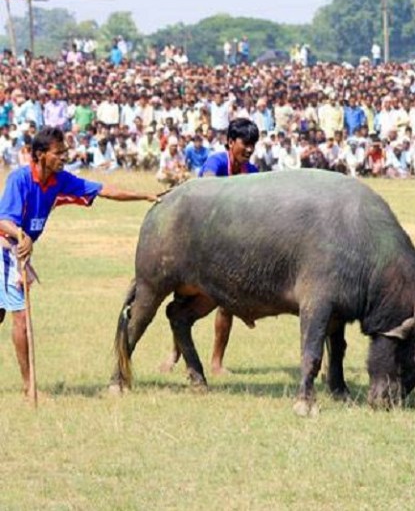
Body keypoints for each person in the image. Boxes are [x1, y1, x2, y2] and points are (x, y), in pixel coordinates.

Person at [0, 127, 157, 397]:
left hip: (20, 249)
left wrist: (142, 196)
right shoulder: (20, 179)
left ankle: (29, 386)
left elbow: (103, 189)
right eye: (58, 153)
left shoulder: (59, 180)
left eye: (65, 152)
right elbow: (4, 220)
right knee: (21, 318)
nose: (65, 157)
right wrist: (20, 235)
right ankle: (30, 389)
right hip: (6, 249)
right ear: (40, 154)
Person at [161, 118, 259, 376]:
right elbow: (207, 189)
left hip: (232, 246)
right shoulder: (216, 162)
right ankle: (175, 352)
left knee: (226, 303)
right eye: (244, 143)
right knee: (183, 299)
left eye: (253, 144)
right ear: (230, 142)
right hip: (200, 241)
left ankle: (216, 362)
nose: (249, 149)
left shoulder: (253, 171)